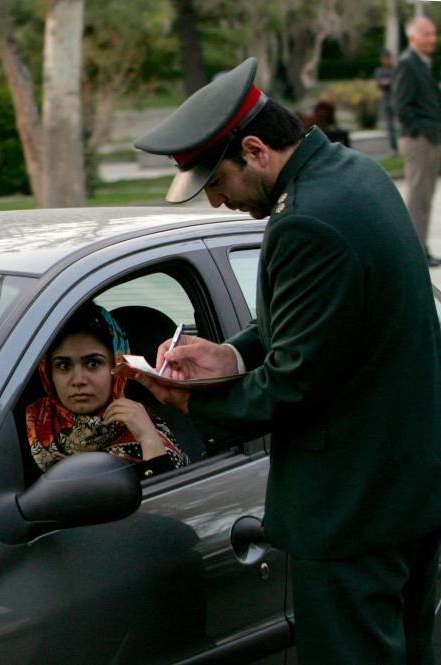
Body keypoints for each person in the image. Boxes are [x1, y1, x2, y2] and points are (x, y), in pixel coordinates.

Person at [132, 57, 441, 664]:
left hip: (352, 514)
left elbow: (290, 387)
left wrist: (189, 401)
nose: (217, 203)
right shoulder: (354, 174)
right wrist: (228, 352)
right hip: (407, 494)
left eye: (216, 183)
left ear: (255, 148)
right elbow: (321, 320)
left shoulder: (306, 223)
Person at [25, 303, 189, 480]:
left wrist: (149, 441)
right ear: (48, 373)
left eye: (93, 363)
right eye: (63, 366)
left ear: (118, 366)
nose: (78, 380)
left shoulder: (145, 428)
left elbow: (172, 503)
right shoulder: (26, 426)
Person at [393, 16, 441, 267]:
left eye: (433, 34)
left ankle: (421, 247)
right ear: (413, 37)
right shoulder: (408, 64)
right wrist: (421, 131)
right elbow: (401, 106)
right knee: (418, 197)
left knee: (425, 196)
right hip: (419, 140)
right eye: (427, 34)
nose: (432, 39)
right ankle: (416, 252)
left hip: (429, 138)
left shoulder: (422, 63)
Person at [374, 48, 398, 153]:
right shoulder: (380, 71)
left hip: (396, 100)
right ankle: (393, 147)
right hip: (386, 100)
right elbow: (379, 83)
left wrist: (386, 82)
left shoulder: (395, 70)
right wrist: (388, 82)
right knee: (389, 126)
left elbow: (395, 83)